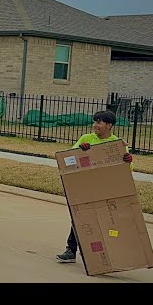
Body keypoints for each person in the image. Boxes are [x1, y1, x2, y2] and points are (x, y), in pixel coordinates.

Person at [56, 109, 133, 263]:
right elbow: (69, 157)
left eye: (99, 122)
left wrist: (128, 160)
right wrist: (80, 150)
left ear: (109, 125)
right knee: (80, 218)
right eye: (95, 121)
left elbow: (126, 171)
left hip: (105, 188)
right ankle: (71, 250)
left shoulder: (116, 144)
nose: (95, 125)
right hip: (85, 186)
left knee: (106, 221)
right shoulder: (87, 138)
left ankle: (106, 254)